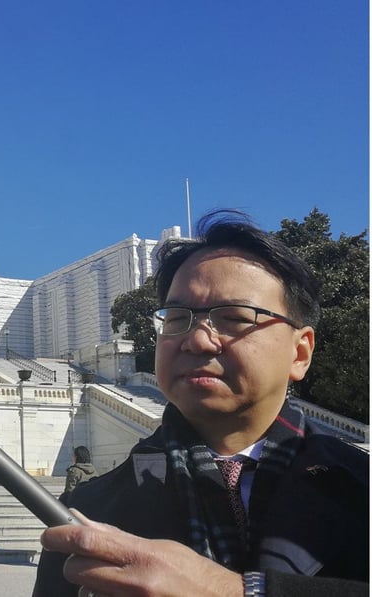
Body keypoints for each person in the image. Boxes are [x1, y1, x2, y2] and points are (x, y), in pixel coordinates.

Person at [34, 211, 368, 596]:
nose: (198, 340)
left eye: (235, 318)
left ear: (300, 353)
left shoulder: (361, 488)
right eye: (177, 318)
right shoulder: (88, 509)